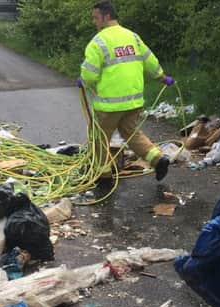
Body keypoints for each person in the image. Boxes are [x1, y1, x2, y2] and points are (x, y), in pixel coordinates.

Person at [79, 1, 174, 181]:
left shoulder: (98, 42)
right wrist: (162, 77)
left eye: (95, 17)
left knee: (99, 138)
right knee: (131, 133)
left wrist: (83, 80)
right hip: (133, 103)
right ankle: (158, 159)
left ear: (106, 16)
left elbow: (90, 75)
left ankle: (103, 175)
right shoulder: (133, 37)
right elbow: (150, 60)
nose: (94, 21)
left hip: (109, 106)